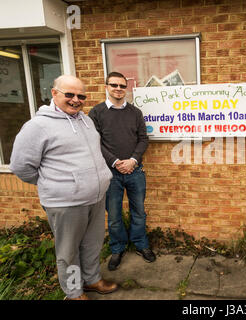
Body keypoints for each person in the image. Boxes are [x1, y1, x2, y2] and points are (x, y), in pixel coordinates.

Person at [10, 75, 117, 300]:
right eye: (69, 94)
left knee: (92, 243)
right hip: (66, 203)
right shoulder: (37, 126)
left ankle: (92, 279)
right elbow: (21, 166)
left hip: (95, 198)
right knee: (68, 251)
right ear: (55, 93)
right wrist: (54, 183)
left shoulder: (85, 120)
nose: (76, 100)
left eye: (81, 96)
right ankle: (73, 291)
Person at [89, 71, 155, 271]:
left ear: (126, 88)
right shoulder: (97, 112)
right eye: (114, 85)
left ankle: (141, 244)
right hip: (110, 173)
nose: (118, 89)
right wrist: (116, 161)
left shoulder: (135, 112)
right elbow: (94, 141)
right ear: (106, 87)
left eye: (121, 86)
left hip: (135, 170)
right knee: (115, 215)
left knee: (139, 212)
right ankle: (117, 249)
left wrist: (132, 160)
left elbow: (143, 138)